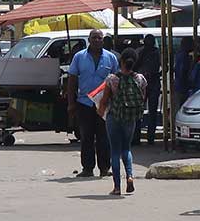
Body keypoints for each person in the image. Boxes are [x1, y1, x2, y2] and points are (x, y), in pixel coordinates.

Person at [66, 29, 118, 178]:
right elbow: (72, 81)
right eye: (94, 38)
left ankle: (104, 168)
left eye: (99, 38)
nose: (96, 40)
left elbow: (116, 82)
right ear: (89, 40)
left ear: (103, 40)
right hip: (84, 103)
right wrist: (71, 103)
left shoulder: (111, 58)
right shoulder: (79, 57)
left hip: (104, 104)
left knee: (104, 137)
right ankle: (87, 168)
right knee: (86, 137)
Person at [101, 48, 146, 196]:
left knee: (115, 151)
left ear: (121, 61)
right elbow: (141, 98)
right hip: (130, 117)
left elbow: (105, 100)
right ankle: (130, 176)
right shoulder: (140, 78)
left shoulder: (112, 79)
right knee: (126, 148)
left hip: (114, 116)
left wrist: (100, 111)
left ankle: (117, 187)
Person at [139, 34, 161, 144]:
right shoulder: (141, 52)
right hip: (142, 83)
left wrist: (157, 74)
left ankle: (150, 137)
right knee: (139, 110)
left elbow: (164, 67)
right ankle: (137, 136)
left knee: (152, 112)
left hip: (153, 83)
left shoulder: (158, 53)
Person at [172, 35, 196, 109]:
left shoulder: (179, 54)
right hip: (183, 88)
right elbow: (182, 72)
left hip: (179, 86)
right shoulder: (184, 56)